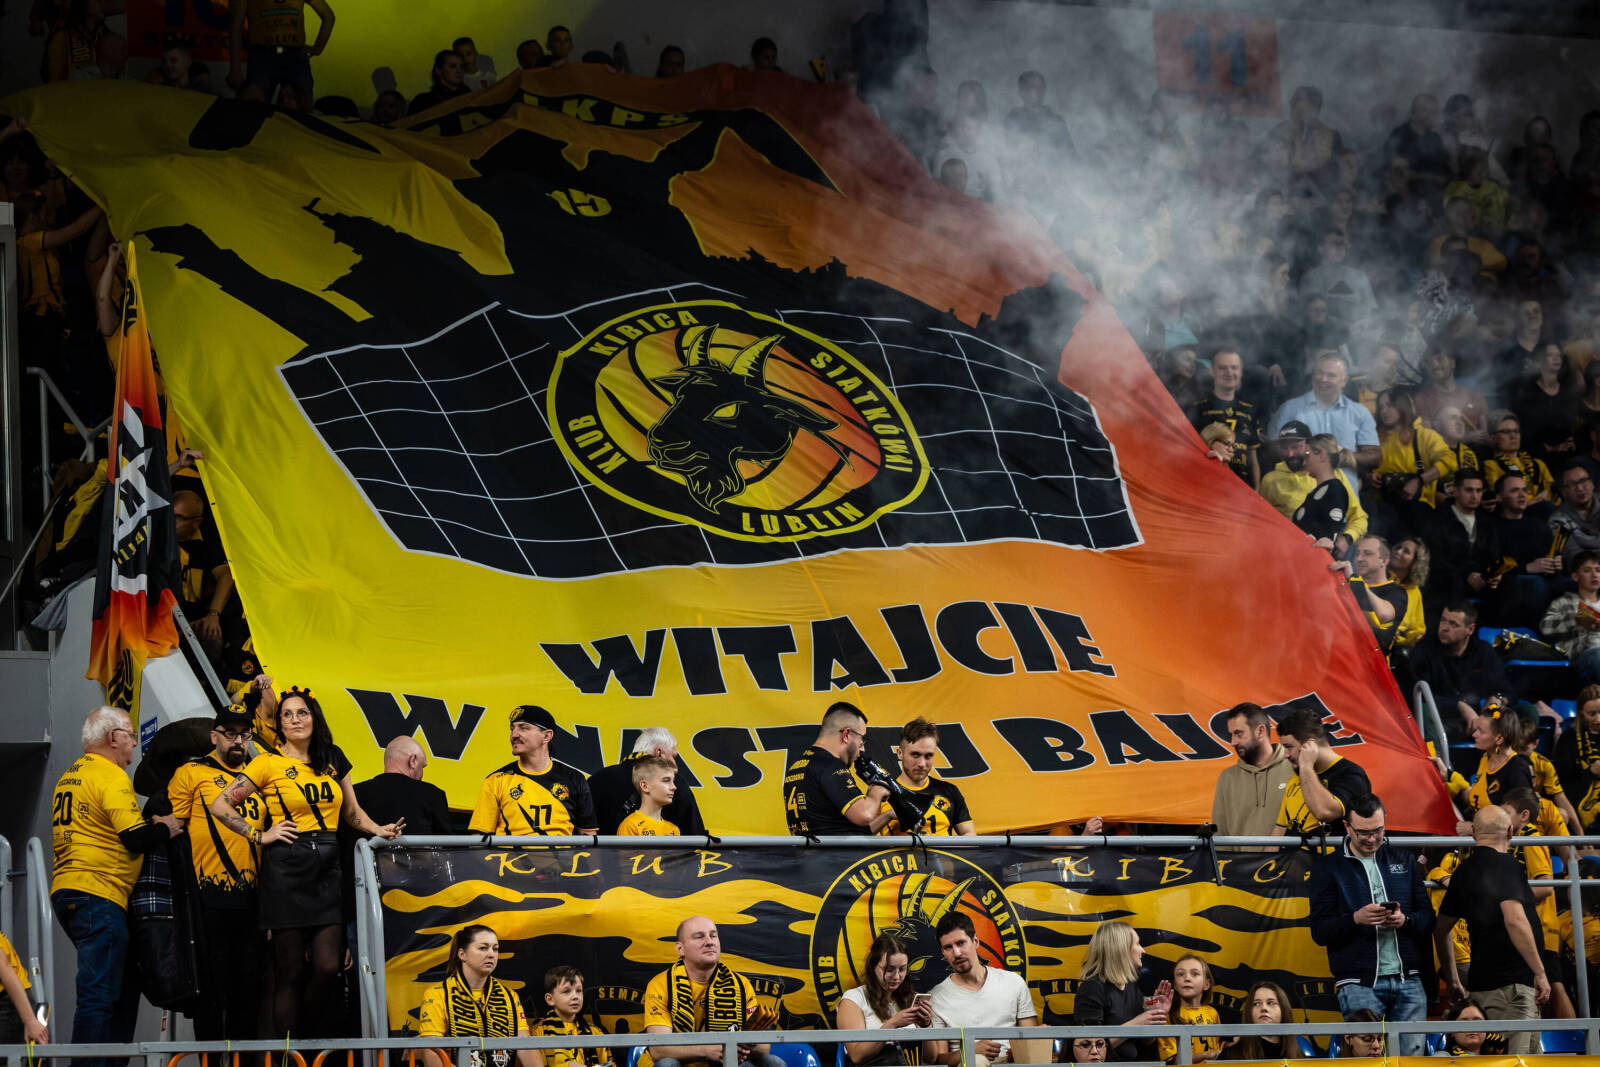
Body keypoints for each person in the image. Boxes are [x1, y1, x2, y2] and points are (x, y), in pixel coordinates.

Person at [209, 687, 401, 1037]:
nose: (295, 720)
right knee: (290, 971)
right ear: (279, 723)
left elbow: (352, 813)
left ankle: (306, 1039)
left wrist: (379, 829)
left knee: (328, 967)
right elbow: (220, 805)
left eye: (302, 713)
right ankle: (291, 1052)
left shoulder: (333, 757)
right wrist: (258, 835)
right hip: (286, 867)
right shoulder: (266, 762)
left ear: (314, 718)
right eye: (287, 714)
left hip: (327, 867)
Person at [51, 707, 183, 1062]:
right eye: (131, 735)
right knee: (99, 995)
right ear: (113, 738)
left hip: (70, 891)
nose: (134, 744)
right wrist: (165, 827)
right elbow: (134, 839)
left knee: (121, 987)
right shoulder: (109, 775)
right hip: (98, 893)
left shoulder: (72, 774)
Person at [1306, 793, 1433, 1056]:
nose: (1373, 839)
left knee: (1410, 1062)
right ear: (1347, 826)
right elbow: (1319, 931)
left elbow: (1428, 918)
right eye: (1363, 832)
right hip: (1358, 982)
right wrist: (1355, 919)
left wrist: (1405, 921)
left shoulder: (1404, 860)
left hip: (1408, 978)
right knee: (1366, 1061)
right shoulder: (1327, 868)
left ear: (1385, 822)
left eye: (1378, 830)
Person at [166, 703, 264, 1039]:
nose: (238, 741)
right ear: (214, 737)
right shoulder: (192, 773)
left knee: (248, 991)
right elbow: (174, 827)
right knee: (211, 990)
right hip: (208, 897)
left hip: (254, 900)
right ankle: (210, 1057)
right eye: (230, 733)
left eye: (245, 735)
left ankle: (243, 1060)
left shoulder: (258, 777)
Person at [1434, 806, 1550, 1056]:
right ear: (1510, 831)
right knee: (1518, 1062)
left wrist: (1453, 979)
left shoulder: (1463, 871)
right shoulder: (1507, 865)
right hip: (1513, 990)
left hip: (1483, 987)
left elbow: (1441, 930)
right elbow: (1514, 920)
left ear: (1474, 833)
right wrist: (1540, 972)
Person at [640, 916, 781, 1067]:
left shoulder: (741, 984)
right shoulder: (660, 984)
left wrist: (741, 1044)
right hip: (682, 1064)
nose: (709, 942)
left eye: (713, 936)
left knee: (772, 1062)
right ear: (680, 949)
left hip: (724, 1062)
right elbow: (659, 1050)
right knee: (667, 1064)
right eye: (699, 937)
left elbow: (764, 1048)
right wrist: (707, 1050)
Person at [925, 912, 1046, 1066]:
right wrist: (970, 1050)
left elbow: (1030, 1045)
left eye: (961, 943)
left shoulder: (1013, 982)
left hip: (1012, 1063)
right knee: (977, 1061)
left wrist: (1035, 1040)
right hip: (968, 1064)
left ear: (975, 941)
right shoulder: (936, 997)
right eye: (948, 947)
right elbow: (938, 1059)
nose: (957, 953)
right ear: (943, 952)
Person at [418, 924, 543, 1067]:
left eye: (495, 949)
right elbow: (432, 1052)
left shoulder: (510, 996)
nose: (491, 954)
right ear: (462, 954)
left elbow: (526, 1047)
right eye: (483, 948)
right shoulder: (438, 994)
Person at [469, 705, 597, 837]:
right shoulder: (495, 780)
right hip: (510, 851)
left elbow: (588, 835)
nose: (514, 735)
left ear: (547, 736)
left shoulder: (574, 778)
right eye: (512, 729)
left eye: (523, 728)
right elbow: (478, 838)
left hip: (563, 851)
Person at [1402, 601, 1509, 744]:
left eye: (1453, 624)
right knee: (1426, 710)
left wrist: (1498, 700)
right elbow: (1416, 696)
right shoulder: (1425, 649)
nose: (1444, 628)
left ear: (1470, 629)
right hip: (1442, 721)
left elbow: (1506, 690)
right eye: (1443, 620)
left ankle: (1514, 758)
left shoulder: (1483, 651)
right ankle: (1436, 758)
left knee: (1525, 711)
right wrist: (1459, 706)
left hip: (1479, 719)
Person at [1067, 921, 1169, 1063]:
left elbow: (1147, 1041)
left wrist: (1154, 1015)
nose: (1143, 950)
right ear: (1122, 949)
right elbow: (1089, 1049)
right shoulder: (1093, 988)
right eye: (1137, 944)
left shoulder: (1131, 986)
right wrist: (1136, 1023)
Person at [783, 703, 892, 836]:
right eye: (862, 739)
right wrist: (876, 791)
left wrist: (888, 815)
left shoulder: (798, 765)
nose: (862, 748)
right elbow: (865, 815)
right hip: (836, 850)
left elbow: (842, 829)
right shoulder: (830, 765)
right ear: (846, 734)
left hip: (815, 848)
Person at [1260, 426, 1367, 553]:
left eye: (1296, 447)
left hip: (1319, 554)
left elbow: (1359, 518)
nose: (1290, 454)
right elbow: (1261, 522)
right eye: (1284, 448)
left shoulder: (1335, 478)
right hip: (1286, 551)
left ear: (1308, 446)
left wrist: (1347, 538)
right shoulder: (1270, 480)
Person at [1272, 707, 1371, 840]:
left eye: (1289, 747)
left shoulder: (1352, 774)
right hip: (1291, 852)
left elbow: (1324, 812)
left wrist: (1307, 766)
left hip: (1332, 853)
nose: (1286, 755)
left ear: (1310, 745)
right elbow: (1280, 829)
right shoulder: (1297, 776)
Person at [835, 931, 931, 1066]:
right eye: (889, 969)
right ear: (873, 966)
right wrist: (892, 1024)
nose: (896, 977)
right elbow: (857, 1056)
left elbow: (931, 1058)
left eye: (902, 969)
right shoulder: (854, 999)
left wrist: (926, 1025)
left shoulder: (909, 999)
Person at [1267, 351, 1379, 466]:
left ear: (1344, 381)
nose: (1323, 379)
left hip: (1345, 477)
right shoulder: (1289, 409)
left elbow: (1374, 456)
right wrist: (1305, 454)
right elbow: (1271, 450)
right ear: (1312, 375)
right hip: (1301, 477)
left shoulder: (1360, 412)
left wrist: (1338, 458)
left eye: (1331, 375)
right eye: (1320, 373)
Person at [589, 727, 705, 837]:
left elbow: (583, 832)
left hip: (600, 851)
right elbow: (696, 835)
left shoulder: (597, 779)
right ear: (659, 753)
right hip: (661, 852)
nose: (674, 763)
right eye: (673, 757)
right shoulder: (675, 781)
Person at [227, 0, 334, 108]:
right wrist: (235, 68)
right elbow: (236, 27)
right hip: (265, 57)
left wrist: (318, 47)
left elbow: (328, 16)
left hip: (285, 56)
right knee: (256, 109)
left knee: (300, 108)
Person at [878, 718, 975, 836]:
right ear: (900, 753)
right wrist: (888, 815)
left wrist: (939, 845)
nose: (922, 764)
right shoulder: (881, 791)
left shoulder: (949, 791)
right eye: (915, 754)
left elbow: (969, 834)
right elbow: (862, 836)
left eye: (928, 756)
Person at [1212, 702, 1294, 839]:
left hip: (1290, 854)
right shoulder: (1227, 777)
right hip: (1239, 855)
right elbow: (1220, 834)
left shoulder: (1295, 768)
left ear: (1260, 731)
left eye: (1239, 733)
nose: (1233, 742)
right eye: (1231, 735)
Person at [1424, 469, 1501, 606]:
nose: (1474, 496)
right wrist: (1466, 575)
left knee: (1509, 585)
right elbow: (1435, 560)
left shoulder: (1487, 521)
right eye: (1469, 490)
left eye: (1478, 491)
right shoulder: (1437, 519)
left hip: (1481, 580)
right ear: (1455, 491)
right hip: (1448, 581)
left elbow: (1494, 554)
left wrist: (1493, 574)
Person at [1189, 347, 1261, 487]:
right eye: (1223, 368)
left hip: (1243, 490)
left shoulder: (1250, 410)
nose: (1229, 372)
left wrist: (1256, 491)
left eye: (1234, 368)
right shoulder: (1197, 409)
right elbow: (1188, 452)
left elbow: (1253, 457)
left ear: (1240, 372)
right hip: (1209, 485)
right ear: (1212, 371)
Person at [351, 735, 453, 834]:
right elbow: (447, 843)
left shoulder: (354, 793)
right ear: (413, 761)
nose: (422, 774)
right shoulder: (433, 794)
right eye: (422, 767)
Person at [1330, 536, 1407, 655]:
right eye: (1357, 554)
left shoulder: (1397, 592)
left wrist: (1356, 582)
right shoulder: (1350, 581)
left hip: (1370, 663)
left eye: (1367, 554)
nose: (1359, 559)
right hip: (1338, 654)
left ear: (1384, 560)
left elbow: (1384, 615)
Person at [1461, 702, 1536, 815]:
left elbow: (1520, 819)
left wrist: (1474, 825)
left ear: (1499, 739)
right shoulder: (1485, 757)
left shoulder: (1517, 770)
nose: (1474, 734)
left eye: (1481, 731)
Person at [534, 966, 613, 1067]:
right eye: (566, 991)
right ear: (550, 999)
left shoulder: (595, 1032)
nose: (575, 996)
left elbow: (609, 1064)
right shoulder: (538, 1032)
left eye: (579, 990)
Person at [1541, 550, 1600, 681]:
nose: (1594, 575)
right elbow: (1545, 627)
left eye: (1598, 570)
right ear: (1575, 577)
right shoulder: (1564, 602)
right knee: (1597, 655)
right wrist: (1576, 621)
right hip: (1584, 656)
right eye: (1587, 570)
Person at [1153, 955, 1223, 1064]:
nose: (1187, 978)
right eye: (1181, 974)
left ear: (1206, 984)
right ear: (1175, 985)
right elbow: (1171, 1060)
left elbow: (1219, 1048)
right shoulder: (1167, 1015)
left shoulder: (1212, 1013)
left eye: (1195, 974)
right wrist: (1204, 1055)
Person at [1554, 683, 1600, 833]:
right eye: (1592, 714)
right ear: (1581, 713)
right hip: (1580, 796)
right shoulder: (1569, 738)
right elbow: (1562, 781)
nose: (1598, 719)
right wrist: (1591, 772)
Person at [1483, 411, 1554, 504]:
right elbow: (1500, 499)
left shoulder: (1538, 464)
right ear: (1493, 438)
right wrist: (1535, 502)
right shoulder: (1491, 465)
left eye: (1516, 431)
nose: (1513, 436)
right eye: (1506, 432)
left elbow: (1552, 493)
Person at [1220, 981, 1302, 1060]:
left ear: (1283, 1009)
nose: (1264, 1008)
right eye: (1256, 1004)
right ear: (1249, 1011)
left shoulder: (1300, 1057)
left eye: (1271, 1003)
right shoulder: (1230, 1055)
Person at [1552, 459, 1600, 566]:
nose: (1580, 488)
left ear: (1592, 484)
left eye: (1583, 481)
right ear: (1564, 492)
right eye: (1572, 484)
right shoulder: (1557, 521)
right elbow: (1575, 559)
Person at [617, 756, 679, 836]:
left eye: (673, 781)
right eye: (666, 780)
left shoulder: (673, 829)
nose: (674, 787)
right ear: (645, 786)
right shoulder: (630, 826)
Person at [1387, 537, 1430, 649]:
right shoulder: (1378, 575)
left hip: (1394, 647)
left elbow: (1417, 630)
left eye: (1406, 551)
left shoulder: (1414, 592)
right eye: (1398, 547)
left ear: (1415, 562)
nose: (1398, 552)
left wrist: (1415, 637)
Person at [410, 49, 470, 115]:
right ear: (438, 70)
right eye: (452, 66)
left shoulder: (470, 97)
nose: (459, 71)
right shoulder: (423, 102)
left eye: (462, 67)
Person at [1439, 1001, 1506, 1057]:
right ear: (1452, 1031)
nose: (1471, 1027)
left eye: (1477, 1021)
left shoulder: (1500, 1057)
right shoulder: (1441, 1058)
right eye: (1464, 1022)